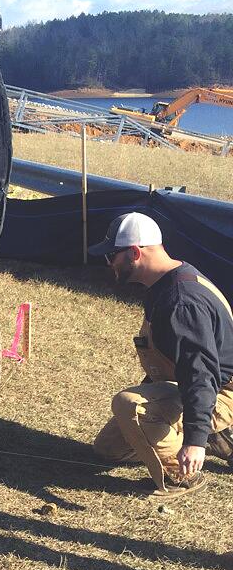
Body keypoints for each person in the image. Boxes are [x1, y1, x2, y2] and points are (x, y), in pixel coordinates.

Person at [91, 212, 233, 497]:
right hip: (197, 387)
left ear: (134, 252)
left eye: (112, 256)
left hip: (219, 392)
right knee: (108, 448)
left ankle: (183, 475)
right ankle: (215, 436)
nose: (109, 264)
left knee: (129, 405)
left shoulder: (181, 302)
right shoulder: (166, 283)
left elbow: (200, 375)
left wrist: (194, 441)